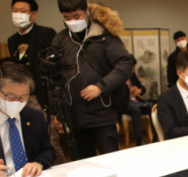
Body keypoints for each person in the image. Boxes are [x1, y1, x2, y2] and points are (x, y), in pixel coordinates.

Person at [51, 0, 132, 159]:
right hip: (74, 117)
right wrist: (57, 112)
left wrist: (100, 87)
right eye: (67, 18)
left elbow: (124, 64)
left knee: (111, 162)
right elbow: (54, 76)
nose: (72, 21)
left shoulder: (104, 35)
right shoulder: (61, 39)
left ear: (86, 10)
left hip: (101, 115)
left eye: (76, 16)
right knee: (82, 165)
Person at [8, 0, 66, 165]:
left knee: (50, 141)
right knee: (27, 140)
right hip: (19, 99)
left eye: (23, 10)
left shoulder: (46, 34)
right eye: (15, 10)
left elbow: (56, 69)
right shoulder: (12, 40)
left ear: (33, 14)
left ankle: (60, 171)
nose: (18, 14)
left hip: (41, 97)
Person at [0, 63, 55, 177]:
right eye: (10, 97)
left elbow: (48, 150)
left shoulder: (35, 117)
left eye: (23, 97)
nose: (17, 102)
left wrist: (38, 163)